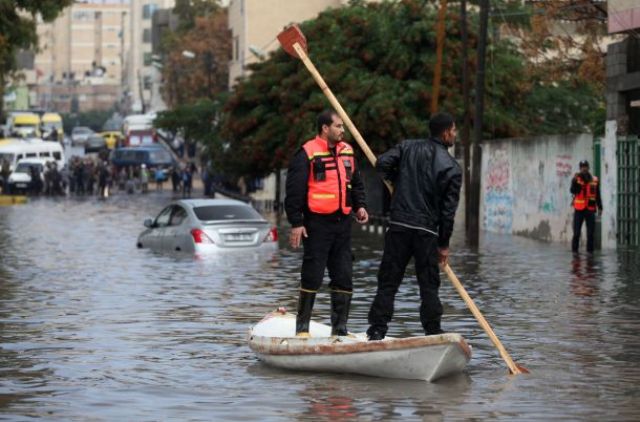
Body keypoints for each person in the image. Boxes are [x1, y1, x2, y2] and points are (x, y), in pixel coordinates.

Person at [366, 112, 462, 341]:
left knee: (388, 282)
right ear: (447, 132)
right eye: (454, 130)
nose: (455, 134)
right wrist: (444, 244)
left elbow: (381, 164)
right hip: (426, 232)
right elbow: (448, 213)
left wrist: (396, 181)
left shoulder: (407, 147)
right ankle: (432, 331)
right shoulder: (452, 168)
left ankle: (377, 329)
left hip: (399, 226)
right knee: (428, 285)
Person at [285, 109, 368, 337]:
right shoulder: (307, 153)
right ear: (325, 128)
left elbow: (357, 184)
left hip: (342, 224)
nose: (342, 130)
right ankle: (302, 329)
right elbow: (294, 192)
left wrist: (360, 206)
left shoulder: (348, 152)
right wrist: (296, 222)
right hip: (316, 224)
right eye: (339, 126)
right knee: (312, 274)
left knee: (344, 275)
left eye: (342, 126)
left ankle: (339, 329)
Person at [570, 160, 602, 253]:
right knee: (576, 233)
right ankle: (575, 255)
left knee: (590, 234)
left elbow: (597, 195)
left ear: (588, 167)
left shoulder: (595, 179)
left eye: (585, 166)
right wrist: (574, 182)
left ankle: (590, 255)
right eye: (582, 166)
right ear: (580, 168)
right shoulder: (576, 178)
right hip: (579, 209)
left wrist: (600, 207)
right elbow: (572, 191)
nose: (584, 168)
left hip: (590, 209)